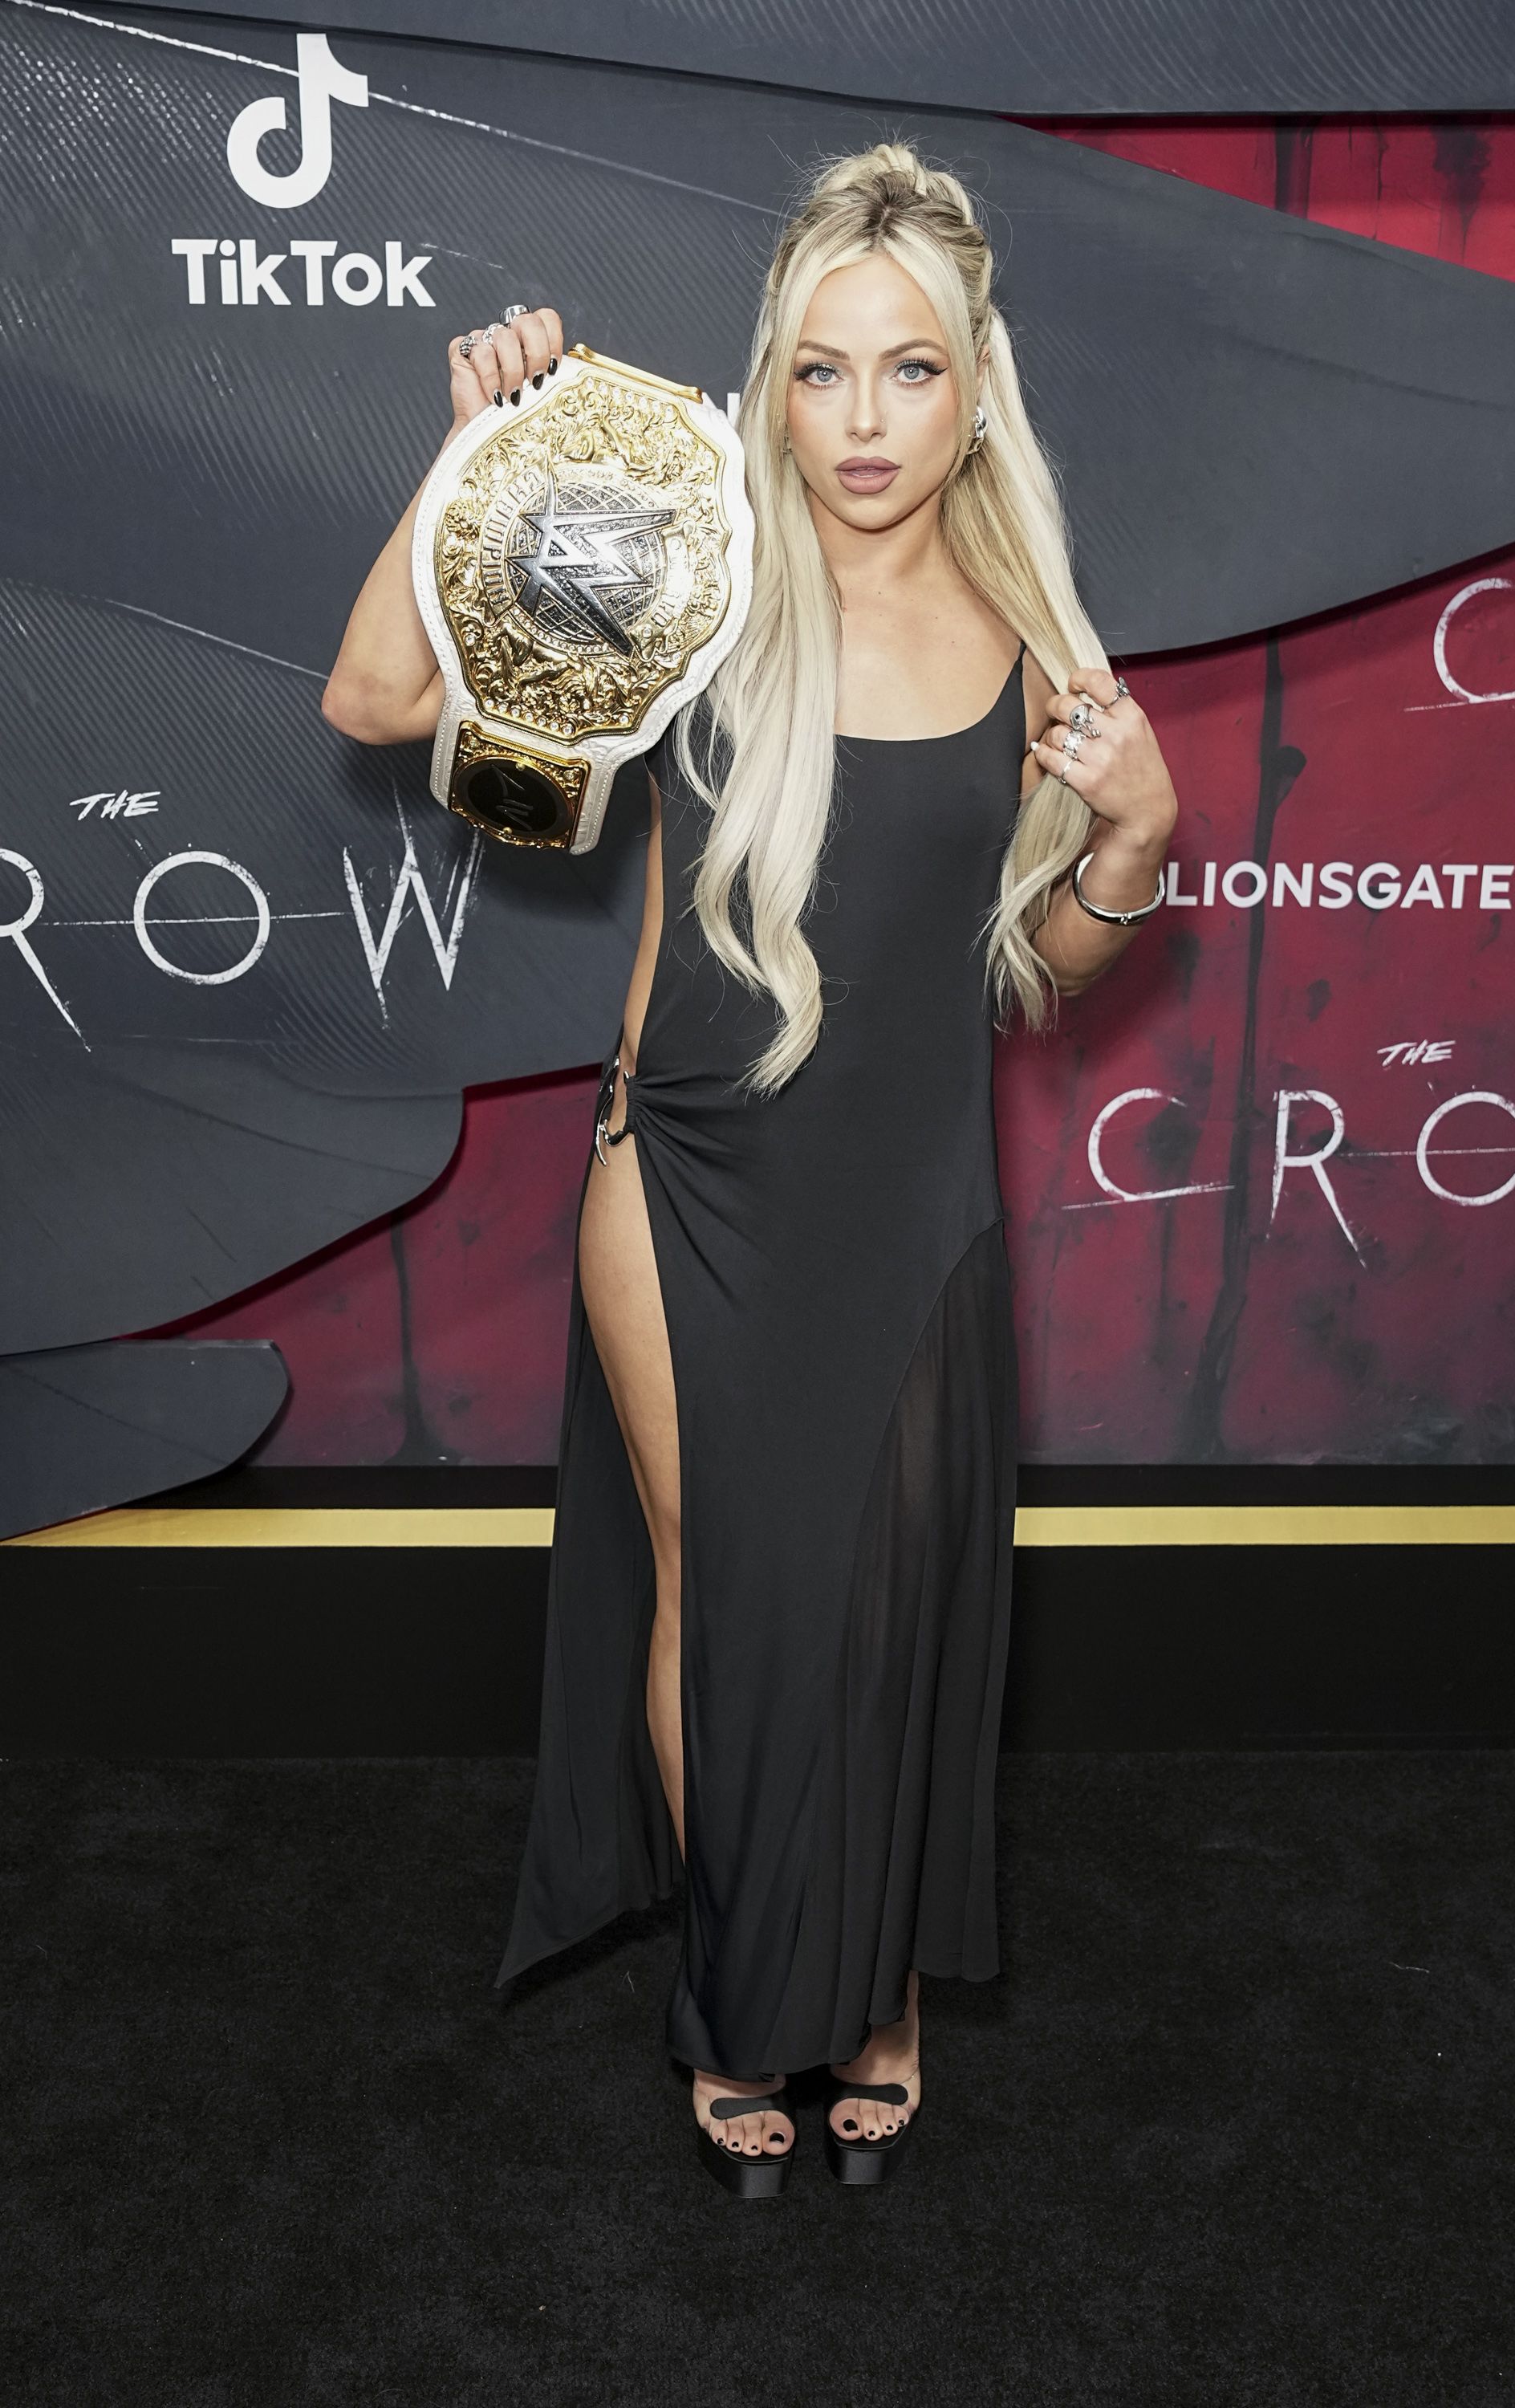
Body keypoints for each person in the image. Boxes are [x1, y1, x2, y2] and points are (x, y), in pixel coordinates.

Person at [322, 141, 1179, 2195]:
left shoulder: (1028, 631)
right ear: (769, 383)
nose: (862, 421)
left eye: (908, 369)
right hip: (683, 1172)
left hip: (908, 1200)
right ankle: (740, 1996)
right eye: (819, 370)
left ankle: (867, 1988)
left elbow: (1041, 977)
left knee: (877, 1609)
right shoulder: (686, 557)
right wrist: (485, 459)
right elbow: (376, 699)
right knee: (721, 1594)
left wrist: (1136, 841)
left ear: (974, 383)